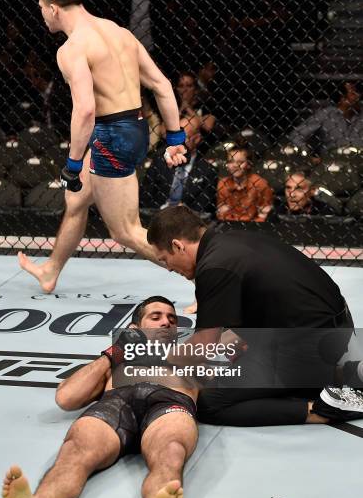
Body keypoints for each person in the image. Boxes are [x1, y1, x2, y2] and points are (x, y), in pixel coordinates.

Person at [17, 0, 187, 293]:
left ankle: (205, 280)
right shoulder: (118, 32)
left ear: (54, 8)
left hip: (111, 136)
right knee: (77, 200)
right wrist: (175, 138)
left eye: (40, 6)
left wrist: (73, 164)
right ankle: (51, 270)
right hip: (132, 127)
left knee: (125, 230)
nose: (40, 13)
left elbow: (84, 111)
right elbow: (162, 86)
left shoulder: (71, 49)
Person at [2, 296, 198, 498]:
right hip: (117, 405)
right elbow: (67, 397)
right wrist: (113, 354)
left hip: (168, 404)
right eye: (155, 317)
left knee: (170, 451)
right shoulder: (116, 359)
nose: (166, 322)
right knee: (76, 450)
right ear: (133, 329)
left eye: (172, 318)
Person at [146, 205, 363, 426]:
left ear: (178, 245)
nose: (169, 269)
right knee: (229, 362)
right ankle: (332, 374)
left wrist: (160, 361)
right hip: (330, 331)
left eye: (164, 259)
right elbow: (236, 332)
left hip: (312, 343)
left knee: (211, 402)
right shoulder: (230, 241)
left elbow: (205, 345)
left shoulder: (214, 267)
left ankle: (322, 410)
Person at [140, 115, 218, 215]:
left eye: (183, 137)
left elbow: (204, 208)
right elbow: (145, 196)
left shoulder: (208, 170)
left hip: (188, 221)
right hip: (157, 216)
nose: (177, 141)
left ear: (197, 139)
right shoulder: (160, 161)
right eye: (175, 136)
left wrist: (184, 212)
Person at [287, 81, 363, 154]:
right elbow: (296, 134)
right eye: (353, 94)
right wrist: (310, 153)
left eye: (358, 93)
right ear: (342, 99)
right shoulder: (327, 113)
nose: (358, 97)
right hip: (332, 159)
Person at [216, 142, 274, 222]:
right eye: (230, 161)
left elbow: (263, 216)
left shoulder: (260, 184)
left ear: (249, 164)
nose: (235, 165)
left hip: (254, 229)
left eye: (240, 162)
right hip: (229, 228)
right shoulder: (223, 183)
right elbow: (222, 215)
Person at [271, 169, 338, 218]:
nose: (291, 195)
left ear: (312, 191)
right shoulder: (278, 211)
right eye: (288, 188)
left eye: (299, 189)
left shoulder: (325, 212)